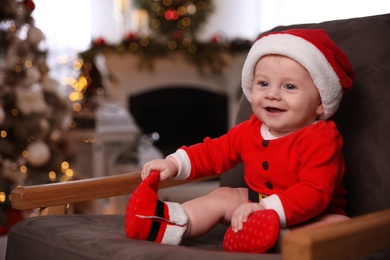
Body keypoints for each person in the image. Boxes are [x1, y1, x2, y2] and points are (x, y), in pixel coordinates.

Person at [125, 28, 354, 253]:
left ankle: (279, 238)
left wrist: (266, 209)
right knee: (223, 196)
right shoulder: (249, 130)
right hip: (254, 204)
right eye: (263, 83)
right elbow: (212, 152)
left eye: (289, 86)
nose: (272, 94)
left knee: (339, 227)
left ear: (320, 102)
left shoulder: (321, 137)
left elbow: (315, 191)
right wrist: (175, 164)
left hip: (312, 213)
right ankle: (170, 224)